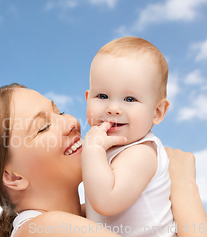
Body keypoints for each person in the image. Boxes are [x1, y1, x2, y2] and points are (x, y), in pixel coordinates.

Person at [0, 83, 207, 237]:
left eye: (60, 112)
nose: (71, 122)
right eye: (43, 127)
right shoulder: (44, 229)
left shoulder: (91, 216)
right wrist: (183, 187)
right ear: (13, 177)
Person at [81, 36, 174, 236]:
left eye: (129, 99)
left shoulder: (141, 153)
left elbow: (105, 201)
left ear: (157, 112)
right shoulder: (107, 147)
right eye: (102, 96)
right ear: (88, 99)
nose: (113, 108)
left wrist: (92, 150)